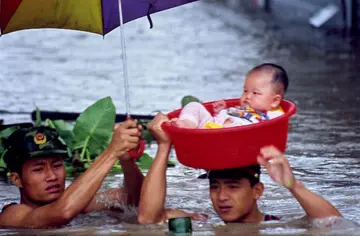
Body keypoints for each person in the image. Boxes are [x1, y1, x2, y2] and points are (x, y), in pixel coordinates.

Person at [137, 113, 342, 224]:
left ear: (257, 191)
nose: (221, 197)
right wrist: (164, 147)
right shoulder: (202, 222)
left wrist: (293, 185)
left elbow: (335, 223)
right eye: (215, 186)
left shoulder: (276, 226)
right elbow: (147, 219)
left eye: (233, 186)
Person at [0, 120, 144, 228]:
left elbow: (133, 199)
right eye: (38, 169)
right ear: (17, 179)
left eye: (57, 165)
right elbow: (62, 213)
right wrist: (112, 152)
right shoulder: (12, 215)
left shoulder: (81, 204)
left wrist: (126, 160)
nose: (52, 176)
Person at [172, 63, 288, 128]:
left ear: (274, 101)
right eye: (245, 90)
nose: (247, 96)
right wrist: (221, 111)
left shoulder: (272, 113)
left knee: (235, 127)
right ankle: (187, 126)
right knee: (194, 106)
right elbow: (224, 118)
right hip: (211, 126)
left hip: (232, 137)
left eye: (255, 93)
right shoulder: (242, 108)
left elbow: (279, 125)